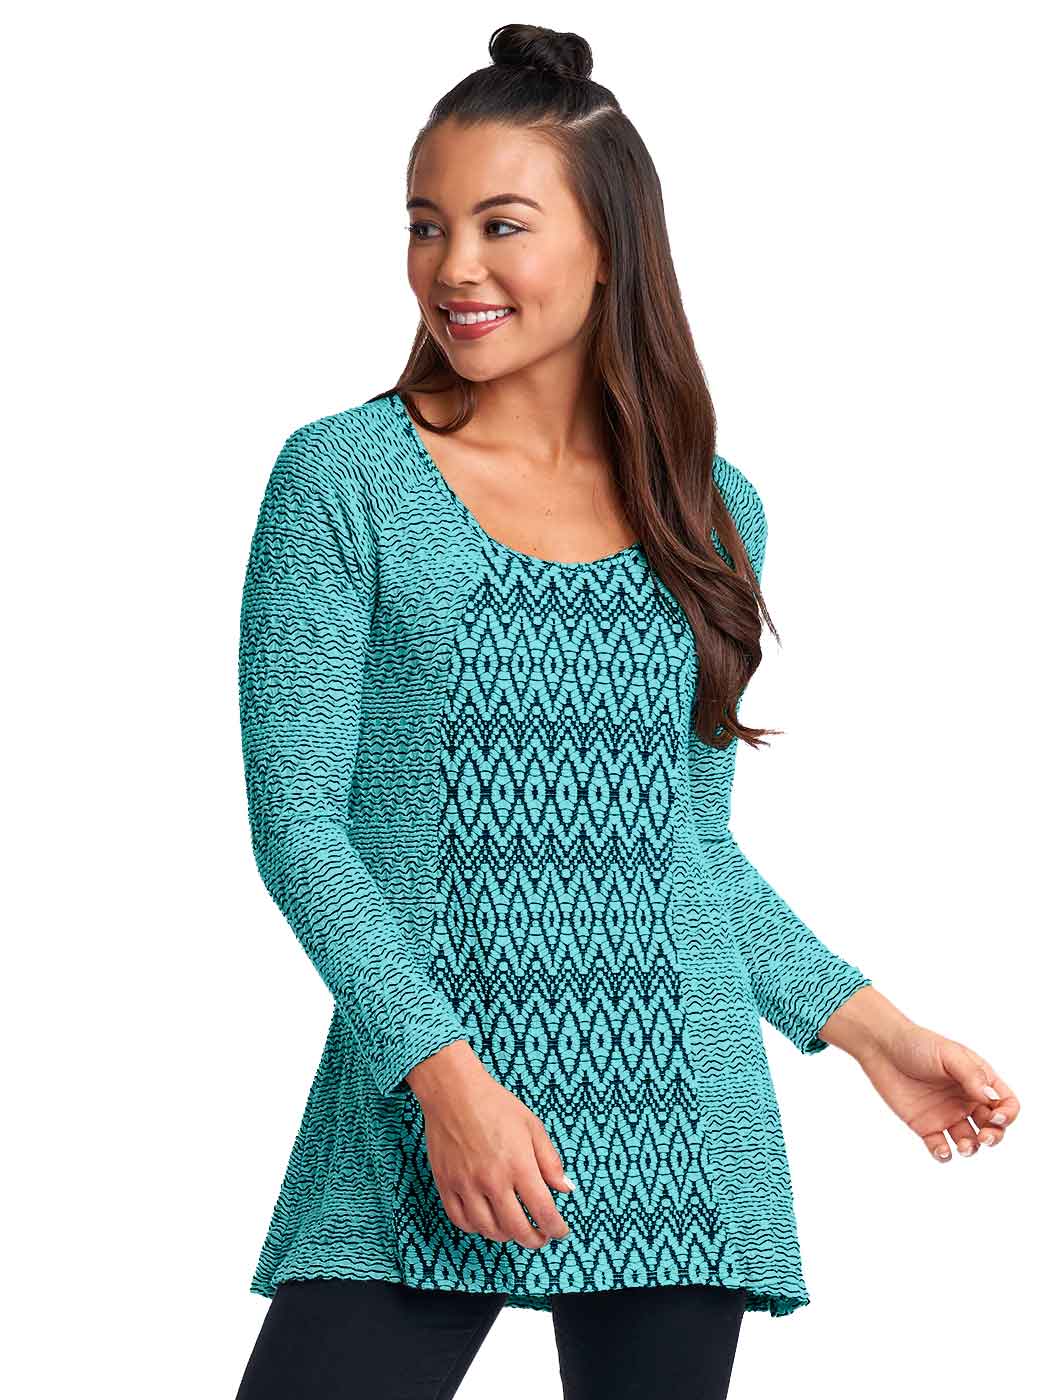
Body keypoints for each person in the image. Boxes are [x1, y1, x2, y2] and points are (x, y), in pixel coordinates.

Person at [233, 23, 1020, 1400]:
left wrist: (872, 1031)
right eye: (425, 224)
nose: (453, 266)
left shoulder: (711, 512)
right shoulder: (344, 480)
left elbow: (686, 849)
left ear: (610, 247)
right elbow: (302, 829)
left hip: (677, 1105)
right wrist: (447, 1083)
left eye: (501, 225)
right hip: (424, 1099)